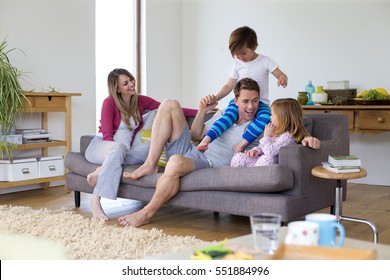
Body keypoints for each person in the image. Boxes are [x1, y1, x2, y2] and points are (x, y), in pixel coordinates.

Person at [118, 78, 320, 227]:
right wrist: (202, 111)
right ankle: (151, 163)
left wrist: (307, 138)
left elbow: (290, 126)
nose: (251, 106)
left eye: (256, 101)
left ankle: (146, 212)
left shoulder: (261, 124)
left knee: (175, 164)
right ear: (236, 100)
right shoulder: (225, 115)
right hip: (192, 149)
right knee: (169, 103)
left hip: (208, 162)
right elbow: (197, 135)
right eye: (246, 101)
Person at [84, 68, 197, 220]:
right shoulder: (109, 102)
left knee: (154, 145)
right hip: (102, 147)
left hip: (125, 153)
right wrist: (113, 156)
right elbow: (107, 134)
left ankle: (101, 170)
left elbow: (170, 108)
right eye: (125, 83)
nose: (131, 84)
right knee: (118, 148)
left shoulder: (140, 100)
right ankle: (95, 200)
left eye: (131, 80)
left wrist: (201, 110)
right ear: (117, 88)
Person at [198, 26, 288, 154]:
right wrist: (216, 98)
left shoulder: (265, 61)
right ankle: (207, 139)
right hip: (241, 102)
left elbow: (280, 74)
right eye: (236, 54)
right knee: (227, 117)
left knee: (265, 118)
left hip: (260, 103)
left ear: (254, 47)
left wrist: (282, 78)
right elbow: (229, 86)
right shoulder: (237, 64)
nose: (240, 57)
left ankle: (240, 145)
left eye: (244, 53)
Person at [230, 98, 306, 167]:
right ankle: (243, 175)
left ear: (283, 118)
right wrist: (255, 151)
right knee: (239, 156)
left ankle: (253, 175)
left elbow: (270, 152)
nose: (270, 117)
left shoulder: (288, 136)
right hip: (259, 161)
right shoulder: (276, 132)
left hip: (269, 162)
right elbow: (261, 147)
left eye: (272, 115)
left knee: (267, 159)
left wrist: (266, 136)